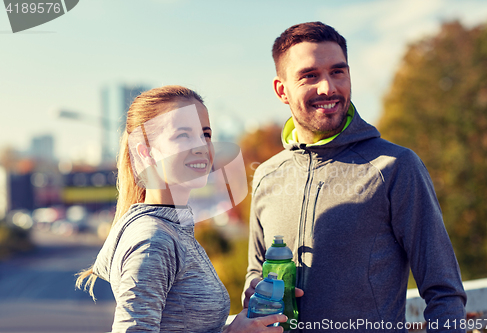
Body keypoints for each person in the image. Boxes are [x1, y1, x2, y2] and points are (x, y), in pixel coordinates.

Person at [243, 22, 467, 332]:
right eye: (309, 76)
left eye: (338, 72)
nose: (328, 88)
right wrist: (255, 290)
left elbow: (445, 292)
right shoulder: (267, 175)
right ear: (282, 90)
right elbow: (254, 272)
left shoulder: (395, 166)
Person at [76, 85, 286, 333]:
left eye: (205, 135)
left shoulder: (174, 229)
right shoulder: (153, 240)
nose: (200, 146)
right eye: (183, 136)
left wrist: (238, 323)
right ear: (146, 153)